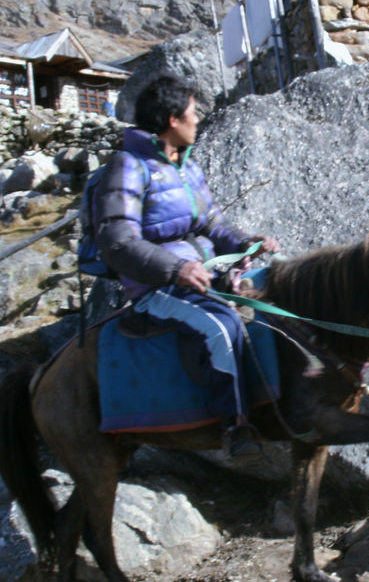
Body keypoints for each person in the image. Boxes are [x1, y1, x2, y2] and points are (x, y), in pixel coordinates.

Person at [93, 74, 279, 459]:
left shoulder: (187, 167)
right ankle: (235, 425)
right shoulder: (127, 166)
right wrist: (175, 270)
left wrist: (246, 244)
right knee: (222, 327)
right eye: (194, 113)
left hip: (204, 276)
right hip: (156, 288)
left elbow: (213, 224)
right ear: (173, 119)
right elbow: (116, 241)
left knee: (281, 291)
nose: (199, 120)